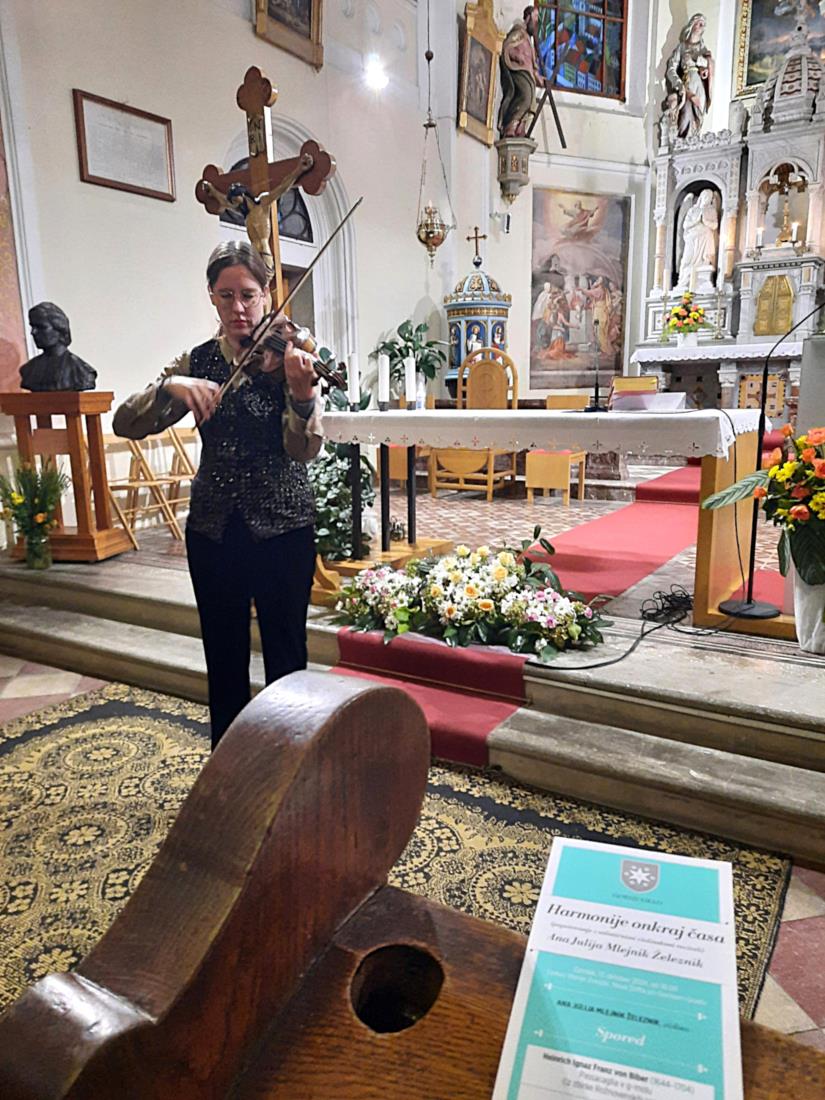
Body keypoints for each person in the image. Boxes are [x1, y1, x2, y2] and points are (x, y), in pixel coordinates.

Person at [113, 241, 322, 748]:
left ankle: (290, 762)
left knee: (286, 657)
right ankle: (228, 765)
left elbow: (303, 451)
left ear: (267, 293)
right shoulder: (197, 360)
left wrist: (301, 396)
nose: (239, 308)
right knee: (223, 658)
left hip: (283, 527)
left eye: (248, 295)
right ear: (211, 296)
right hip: (213, 530)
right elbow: (125, 423)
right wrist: (170, 389)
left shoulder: (293, 356)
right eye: (226, 296)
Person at [20, 302, 97, 392]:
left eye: (41, 327)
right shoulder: (28, 369)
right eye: (32, 326)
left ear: (59, 328)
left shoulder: (81, 370)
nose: (33, 332)